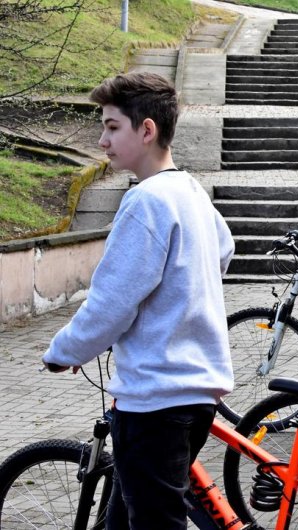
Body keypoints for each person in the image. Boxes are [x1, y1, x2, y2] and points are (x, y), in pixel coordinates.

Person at [41, 72, 235, 530]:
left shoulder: (146, 201)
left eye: (112, 127)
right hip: (195, 393)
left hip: (156, 399)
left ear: (146, 130)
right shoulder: (189, 190)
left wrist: (65, 352)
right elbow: (222, 249)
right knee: (125, 519)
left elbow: (112, 301)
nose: (102, 140)